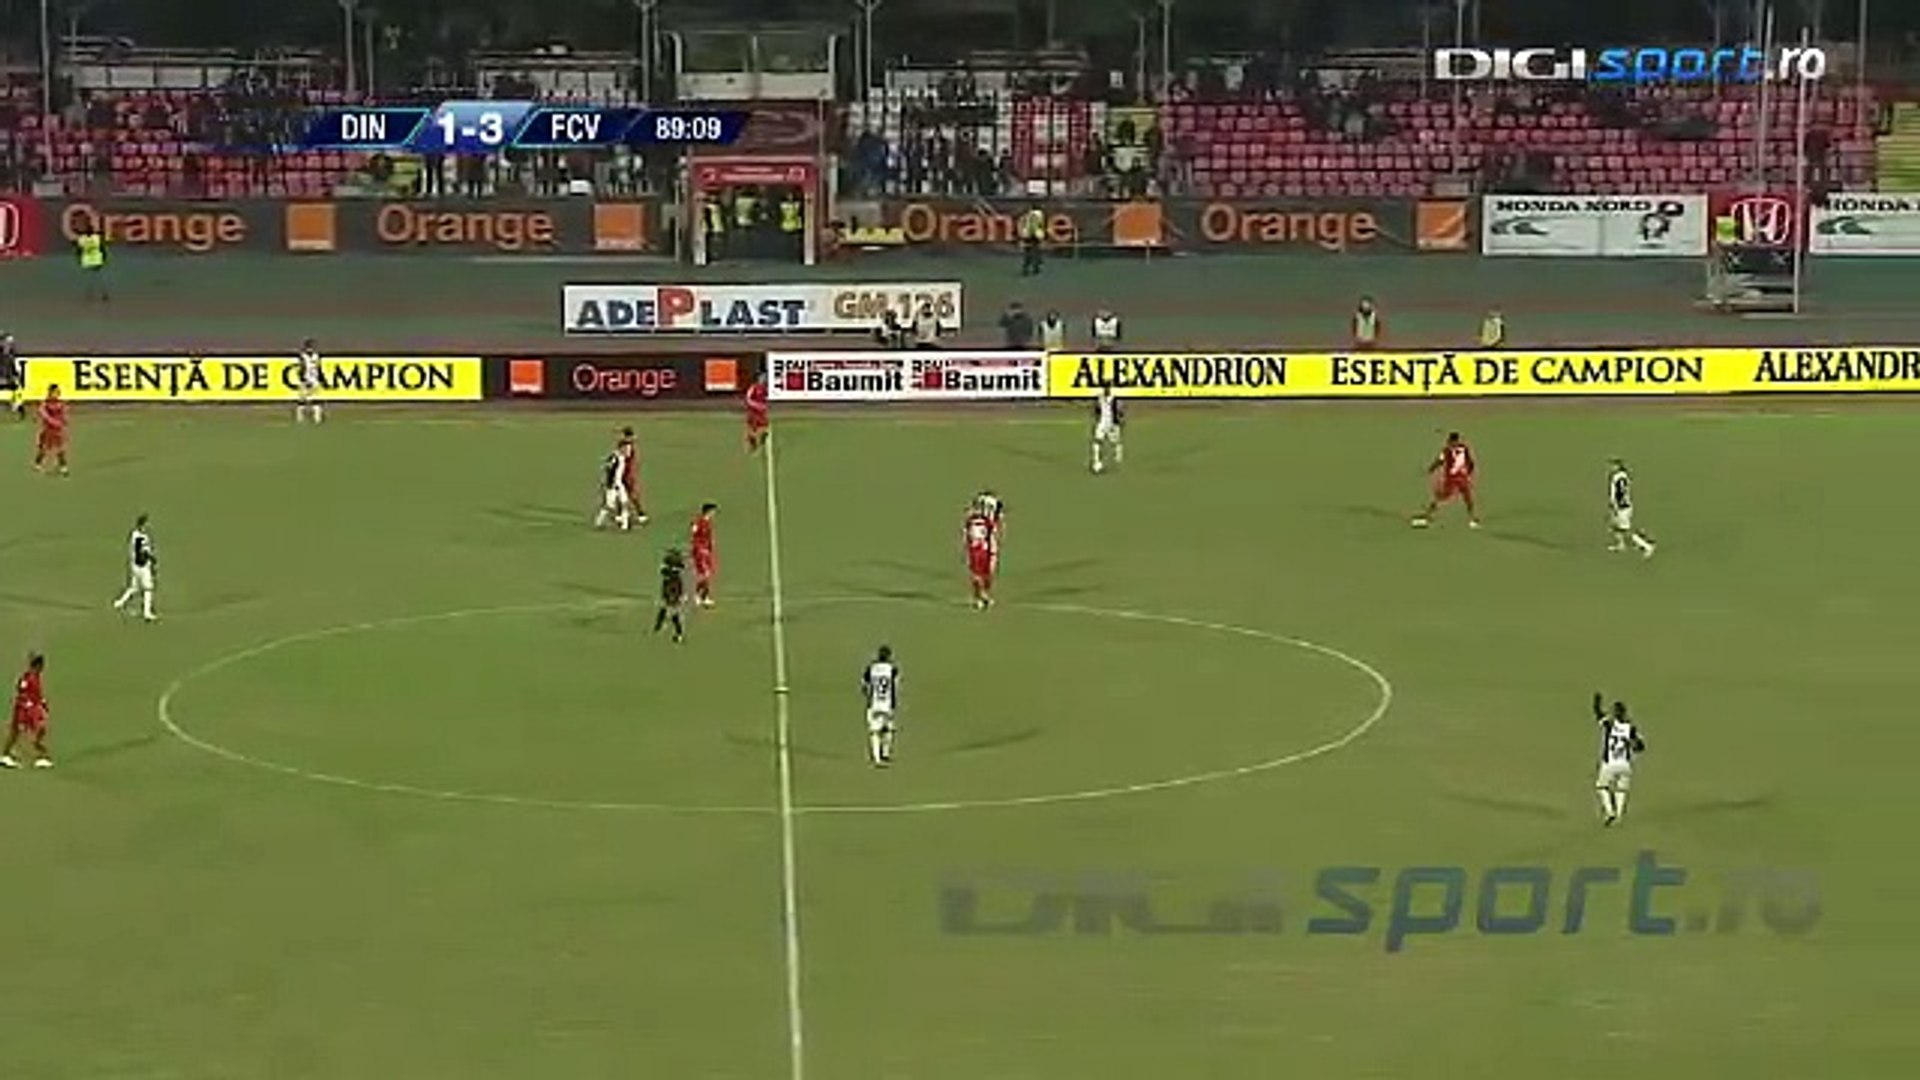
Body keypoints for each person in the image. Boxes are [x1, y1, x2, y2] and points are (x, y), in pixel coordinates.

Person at [1593, 692, 1646, 827]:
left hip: (1609, 763)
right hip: (1625, 764)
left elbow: (1599, 715)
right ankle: (1619, 813)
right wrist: (1633, 746)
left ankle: (1610, 811)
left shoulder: (1610, 724)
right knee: (1621, 790)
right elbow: (1640, 747)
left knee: (1602, 787)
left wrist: (1596, 703)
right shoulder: (1630, 728)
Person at [1413, 431, 1479, 529]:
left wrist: (1430, 470)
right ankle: (1472, 518)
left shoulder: (1447, 451)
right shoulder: (1464, 449)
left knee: (1442, 497)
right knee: (1467, 498)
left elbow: (1439, 461)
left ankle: (1427, 516)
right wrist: (1468, 474)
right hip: (1462, 478)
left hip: (1452, 479)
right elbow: (1471, 463)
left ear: (1452, 441)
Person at [0, 654, 51, 770]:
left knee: (21, 731)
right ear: (37, 665)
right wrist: (29, 705)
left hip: (28, 708)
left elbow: (35, 693)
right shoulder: (29, 678)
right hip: (25, 710)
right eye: (41, 665)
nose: (42, 668)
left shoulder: (34, 676)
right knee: (33, 730)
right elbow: (22, 692)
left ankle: (7, 755)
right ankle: (40, 756)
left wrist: (42, 701)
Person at [111, 513, 159, 622]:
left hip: (134, 565)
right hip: (142, 565)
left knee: (134, 587)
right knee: (148, 588)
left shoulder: (134, 535)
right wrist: (151, 559)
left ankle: (119, 603)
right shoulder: (141, 538)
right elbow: (142, 552)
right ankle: (147, 613)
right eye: (146, 525)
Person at [1606, 458, 1656, 558]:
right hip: (1625, 505)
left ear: (1618, 466)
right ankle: (1621, 545)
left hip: (1621, 507)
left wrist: (1615, 506)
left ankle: (1647, 546)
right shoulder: (1625, 476)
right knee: (1614, 526)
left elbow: (1618, 494)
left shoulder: (1616, 478)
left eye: (1613, 465)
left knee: (1626, 530)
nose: (1611, 468)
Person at [862, 645, 900, 766]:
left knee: (874, 732)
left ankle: (876, 757)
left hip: (874, 703)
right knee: (888, 730)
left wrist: (868, 695)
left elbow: (864, 685)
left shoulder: (871, 668)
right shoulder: (892, 669)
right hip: (887, 703)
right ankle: (885, 753)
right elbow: (895, 686)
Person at [964, 500, 996, 610]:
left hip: (984, 550)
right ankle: (977, 598)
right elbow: (966, 536)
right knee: (976, 575)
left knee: (987, 574)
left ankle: (985, 595)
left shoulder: (987, 521)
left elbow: (991, 535)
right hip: (975, 550)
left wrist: (993, 549)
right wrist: (967, 548)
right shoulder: (970, 521)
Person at [653, 548, 688, 643]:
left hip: (673, 588)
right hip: (669, 587)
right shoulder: (668, 565)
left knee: (672, 611)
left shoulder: (676, 569)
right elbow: (663, 571)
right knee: (665, 607)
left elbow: (680, 570)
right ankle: (659, 626)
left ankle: (679, 633)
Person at [33, 384, 68, 476]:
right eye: (55, 392)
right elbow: (43, 414)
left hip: (57, 431)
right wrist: (53, 422)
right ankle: (37, 464)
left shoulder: (61, 403)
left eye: (58, 392)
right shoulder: (45, 403)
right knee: (44, 449)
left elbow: (64, 414)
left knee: (60, 449)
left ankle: (63, 467)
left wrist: (64, 421)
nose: (57, 394)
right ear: (50, 393)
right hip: (47, 430)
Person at [1091, 383, 1124, 473]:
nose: (1106, 389)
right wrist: (1096, 419)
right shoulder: (1099, 398)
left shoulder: (1114, 398)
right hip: (1102, 423)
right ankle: (1097, 463)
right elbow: (1096, 409)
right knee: (1097, 441)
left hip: (1111, 423)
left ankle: (1118, 453)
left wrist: (1120, 419)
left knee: (1115, 441)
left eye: (1108, 388)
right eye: (1105, 388)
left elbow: (1119, 410)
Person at [690, 502, 718, 607]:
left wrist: (710, 548)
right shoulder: (699, 522)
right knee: (705, 575)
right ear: (708, 511)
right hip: (700, 552)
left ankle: (704, 597)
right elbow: (694, 535)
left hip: (707, 552)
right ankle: (699, 596)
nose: (714, 514)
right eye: (713, 511)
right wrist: (699, 549)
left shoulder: (707, 522)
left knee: (708, 575)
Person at [76, 223, 107, 303]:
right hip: (95, 260)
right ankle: (102, 294)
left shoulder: (82, 238)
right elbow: (102, 249)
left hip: (89, 260)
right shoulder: (96, 238)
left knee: (90, 279)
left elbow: (79, 250)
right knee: (98, 278)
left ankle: (91, 294)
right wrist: (104, 258)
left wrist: (79, 259)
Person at [295, 338, 324, 424]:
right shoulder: (303, 356)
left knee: (315, 399)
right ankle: (300, 417)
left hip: (314, 379)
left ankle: (317, 418)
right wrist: (304, 380)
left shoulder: (316, 356)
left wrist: (321, 378)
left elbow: (318, 368)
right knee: (302, 400)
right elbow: (302, 368)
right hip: (306, 379)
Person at [744, 374, 770, 452]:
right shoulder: (753, 388)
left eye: (764, 378)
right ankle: (752, 442)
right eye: (762, 378)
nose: (763, 380)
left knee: (765, 427)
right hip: (753, 412)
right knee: (753, 428)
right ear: (758, 379)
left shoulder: (764, 389)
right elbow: (748, 399)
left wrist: (764, 406)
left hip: (761, 413)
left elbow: (764, 399)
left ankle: (760, 438)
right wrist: (756, 405)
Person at [1018, 204, 1046, 276]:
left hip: (1027, 235)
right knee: (1036, 251)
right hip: (1034, 235)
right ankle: (1035, 267)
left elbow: (1023, 224)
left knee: (1028, 251)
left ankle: (1026, 268)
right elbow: (1037, 225)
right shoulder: (1038, 214)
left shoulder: (1027, 215)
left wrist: (1022, 235)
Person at [0, 332, 21, 418]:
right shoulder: (3, 356)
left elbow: (14, 369)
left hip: (7, 379)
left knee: (18, 389)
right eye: (8, 343)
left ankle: (15, 405)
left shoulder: (11, 357)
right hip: (3, 378)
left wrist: (15, 375)